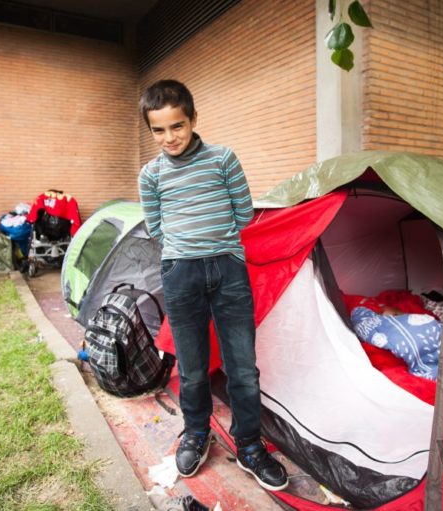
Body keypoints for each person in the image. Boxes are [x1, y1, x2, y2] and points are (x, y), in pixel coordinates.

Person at [137, 79, 288, 491]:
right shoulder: (150, 175)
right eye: (159, 130)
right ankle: (196, 432)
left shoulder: (223, 159)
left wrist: (214, 243)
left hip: (228, 271)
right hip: (180, 273)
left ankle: (249, 445)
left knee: (243, 367)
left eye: (177, 126)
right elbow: (156, 227)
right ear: (150, 130)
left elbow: (243, 213)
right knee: (191, 368)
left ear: (193, 119)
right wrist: (187, 249)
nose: (170, 137)